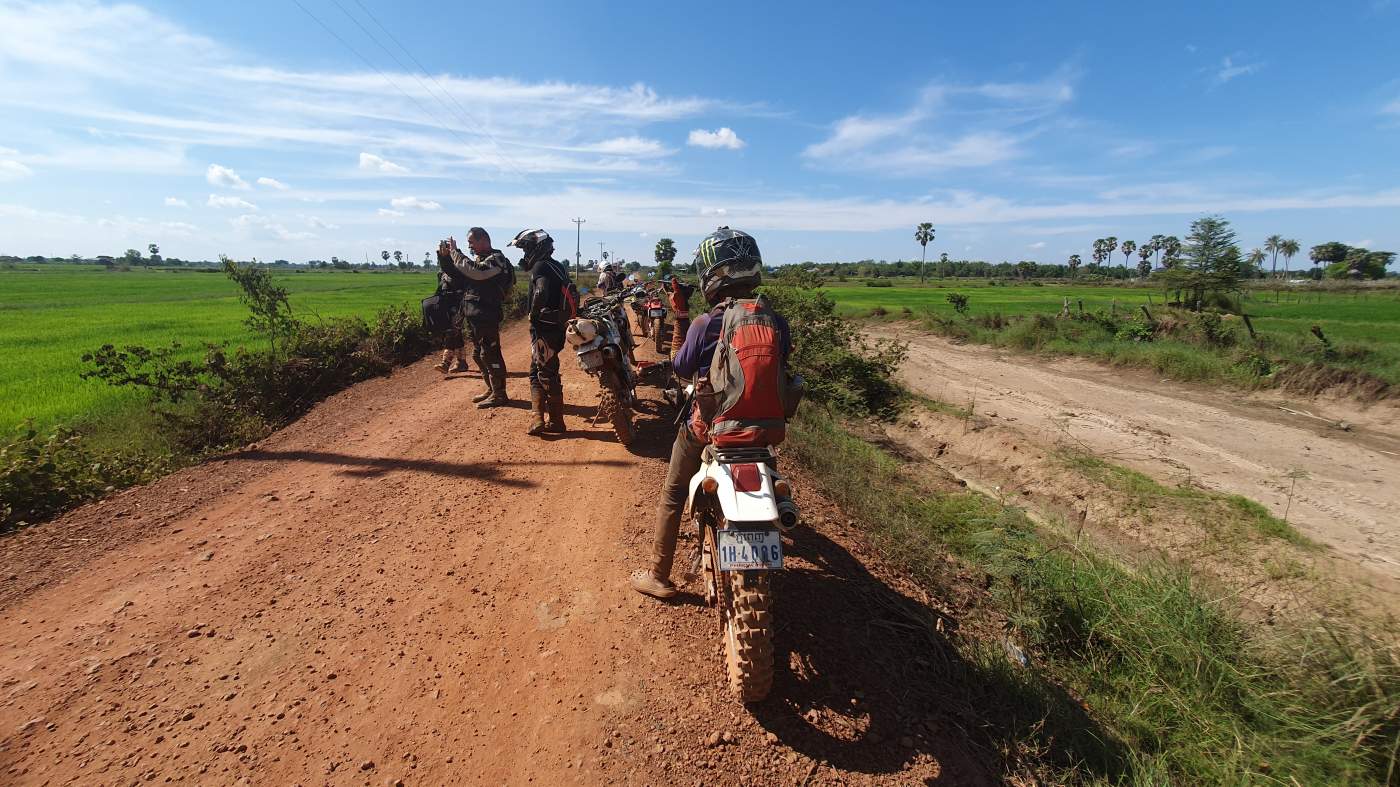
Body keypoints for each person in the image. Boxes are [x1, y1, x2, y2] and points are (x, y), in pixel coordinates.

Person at [630, 228, 791, 599]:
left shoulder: (705, 324)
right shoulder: (775, 321)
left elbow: (682, 369)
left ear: (711, 275)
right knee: (770, 469)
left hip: (711, 430)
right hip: (766, 430)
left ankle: (658, 575)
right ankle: (778, 505)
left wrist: (682, 317)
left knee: (672, 492)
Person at [508, 229, 575, 436]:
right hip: (557, 327)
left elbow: (541, 292)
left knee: (546, 372)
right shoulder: (558, 266)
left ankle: (555, 421)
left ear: (536, 248)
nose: (524, 254)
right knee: (537, 370)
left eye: (526, 248)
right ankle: (539, 418)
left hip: (544, 329)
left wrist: (533, 314)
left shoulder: (540, 266)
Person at [437, 228, 513, 408]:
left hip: (487, 314)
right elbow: (458, 274)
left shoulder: (497, 259)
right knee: (478, 355)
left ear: (484, 240)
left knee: (490, 354)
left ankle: (500, 394)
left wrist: (456, 252)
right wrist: (445, 257)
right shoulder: (479, 260)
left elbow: (477, 272)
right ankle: (492, 389)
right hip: (474, 314)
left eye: (472, 242)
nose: (470, 246)